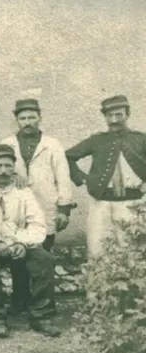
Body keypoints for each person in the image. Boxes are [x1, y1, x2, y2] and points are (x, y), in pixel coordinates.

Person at [0, 144, 60, 338]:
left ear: (14, 167)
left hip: (19, 243)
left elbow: (37, 222)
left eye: (8, 166)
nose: (3, 171)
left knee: (44, 259)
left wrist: (21, 242)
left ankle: (41, 316)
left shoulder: (23, 192)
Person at [0, 99, 74, 314]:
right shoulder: (7, 143)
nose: (28, 122)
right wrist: (13, 175)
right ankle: (19, 300)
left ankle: (39, 302)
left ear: (39, 117)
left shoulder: (52, 145)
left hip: (46, 207)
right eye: (23, 118)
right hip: (16, 208)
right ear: (17, 120)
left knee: (42, 256)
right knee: (18, 255)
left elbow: (63, 177)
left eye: (32, 117)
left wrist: (64, 208)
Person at [65, 95, 146, 259]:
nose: (114, 120)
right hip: (101, 203)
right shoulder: (96, 140)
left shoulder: (141, 139)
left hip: (133, 203)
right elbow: (67, 157)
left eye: (119, 115)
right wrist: (82, 178)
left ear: (127, 114)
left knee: (133, 250)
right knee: (98, 249)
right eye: (110, 115)